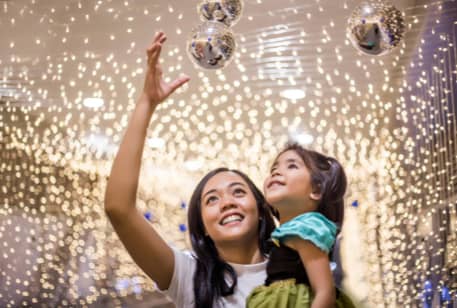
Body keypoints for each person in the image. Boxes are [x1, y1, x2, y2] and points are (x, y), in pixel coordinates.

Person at [104, 31, 277, 307]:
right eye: (212, 199)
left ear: (259, 210)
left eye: (238, 192)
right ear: (203, 226)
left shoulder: (295, 270)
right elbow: (118, 208)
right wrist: (146, 104)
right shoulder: (190, 277)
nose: (227, 203)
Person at [247, 143, 355, 308]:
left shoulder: (306, 230)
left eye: (292, 166)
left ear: (316, 190)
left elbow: (325, 292)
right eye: (273, 169)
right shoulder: (287, 234)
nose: (276, 172)